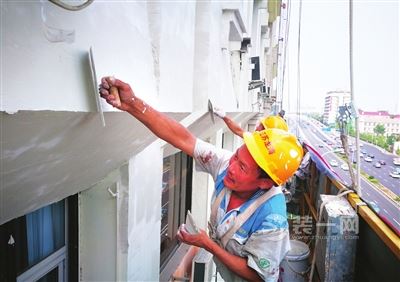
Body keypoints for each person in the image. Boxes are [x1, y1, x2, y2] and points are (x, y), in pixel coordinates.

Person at [99, 77, 303, 281]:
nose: (230, 168)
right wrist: (132, 103)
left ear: (265, 183)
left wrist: (208, 245)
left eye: (241, 167)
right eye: (236, 156)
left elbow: (257, 276)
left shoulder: (272, 217)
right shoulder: (227, 164)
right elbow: (182, 138)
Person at [212, 106, 288, 138]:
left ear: (265, 131)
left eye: (260, 125)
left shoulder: (258, 143)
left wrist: (224, 116)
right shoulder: (258, 140)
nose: (257, 126)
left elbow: (239, 131)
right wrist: (224, 116)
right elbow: (239, 131)